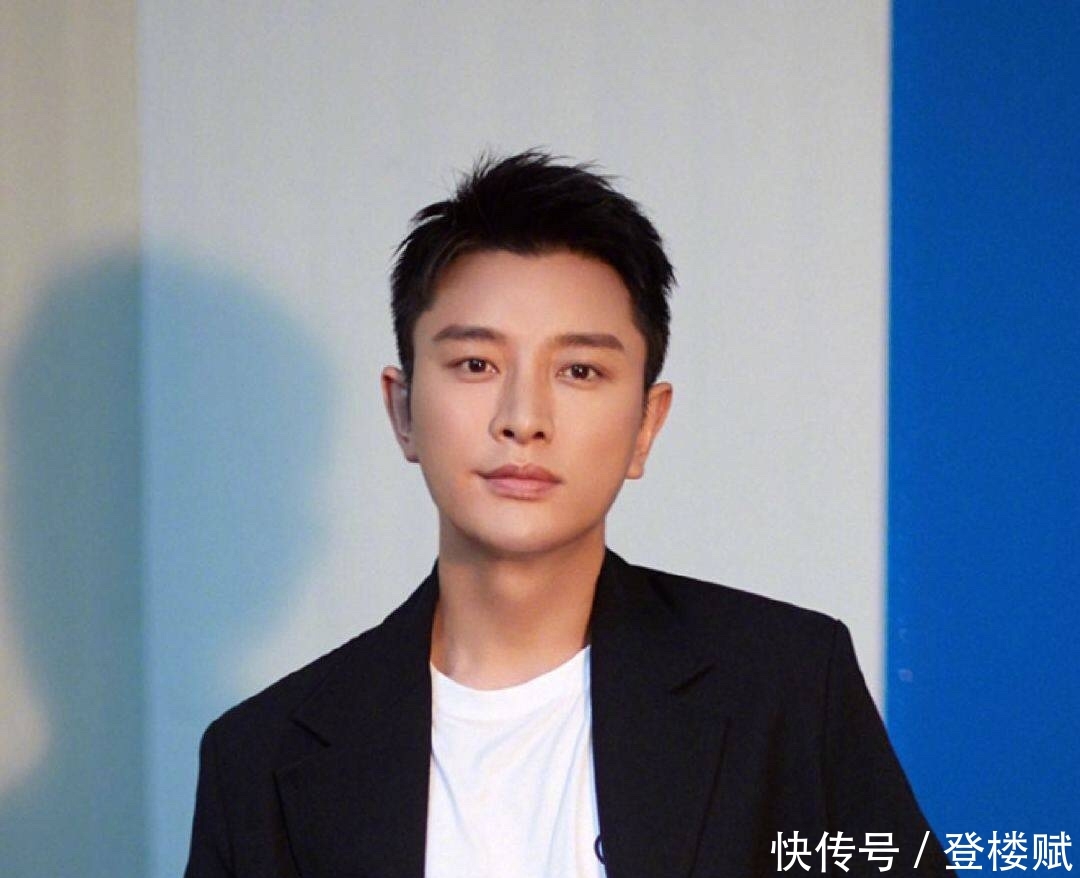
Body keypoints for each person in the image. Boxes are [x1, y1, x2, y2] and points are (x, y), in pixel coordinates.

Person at [183, 151, 947, 877]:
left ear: (646, 424)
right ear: (403, 408)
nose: (523, 418)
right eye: (476, 364)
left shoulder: (785, 686)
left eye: (579, 370)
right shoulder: (257, 759)